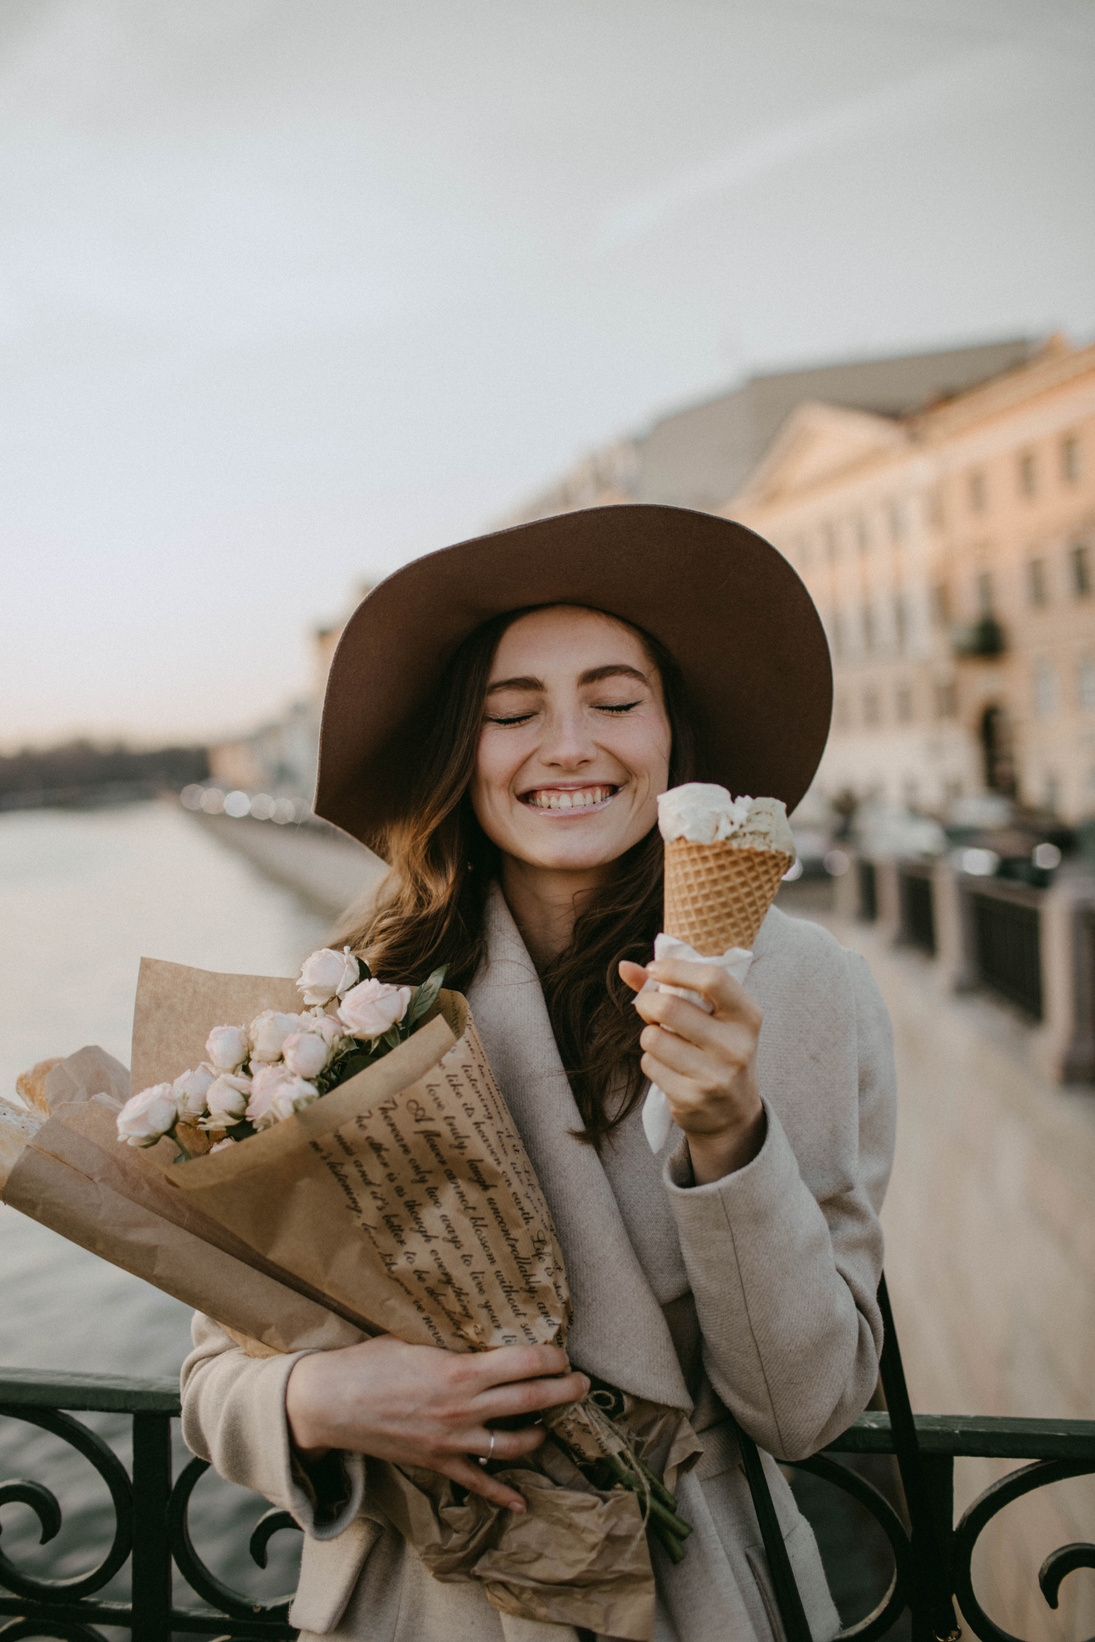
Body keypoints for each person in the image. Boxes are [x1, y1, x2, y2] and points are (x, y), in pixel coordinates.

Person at [181, 504, 896, 1642]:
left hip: (688, 1596)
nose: (569, 745)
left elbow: (805, 1407)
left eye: (615, 702)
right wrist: (320, 1398)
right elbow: (213, 1376)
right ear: (462, 754)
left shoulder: (800, 989)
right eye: (512, 714)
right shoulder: (353, 992)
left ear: (673, 737)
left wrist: (730, 1137)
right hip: (420, 1603)